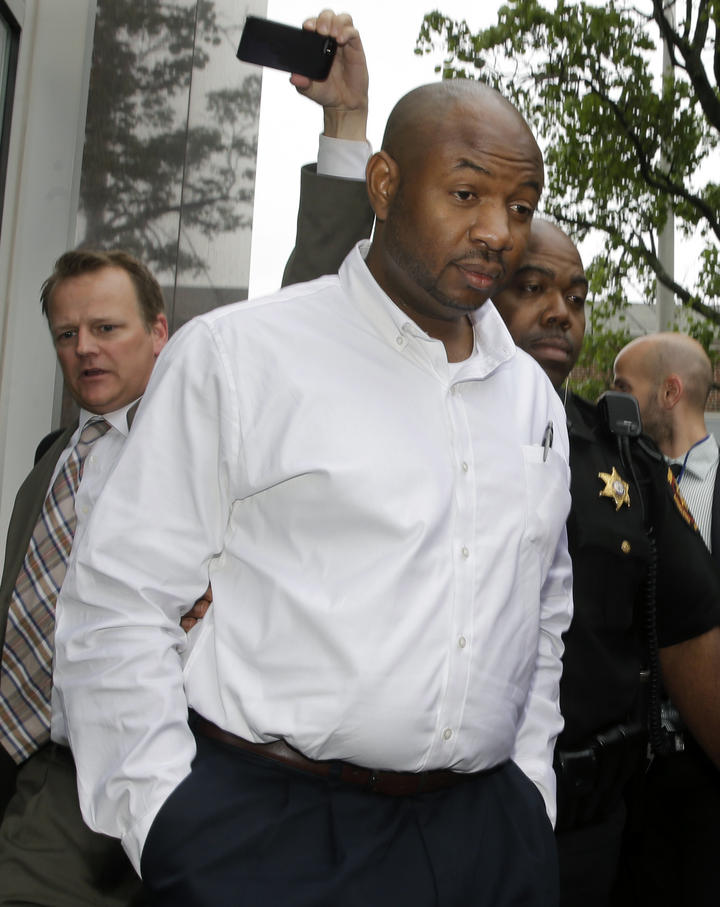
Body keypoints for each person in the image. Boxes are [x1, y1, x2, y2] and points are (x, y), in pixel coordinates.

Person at [56, 78, 572, 906]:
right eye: (466, 194)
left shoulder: (532, 400)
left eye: (521, 207)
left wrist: (530, 794)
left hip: (486, 837)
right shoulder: (239, 355)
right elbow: (118, 599)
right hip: (268, 834)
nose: (497, 231)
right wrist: (166, 820)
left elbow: (542, 616)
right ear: (385, 185)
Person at [280, 13, 720, 906]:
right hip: (383, 829)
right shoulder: (384, 411)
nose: (560, 311)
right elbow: (323, 324)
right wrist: (345, 128)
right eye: (531, 285)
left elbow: (692, 639)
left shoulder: (623, 455)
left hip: (585, 837)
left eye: (577, 294)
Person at [0, 249, 169, 906]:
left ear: (158, 332)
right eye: (67, 334)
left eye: (106, 328)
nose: (85, 349)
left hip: (141, 769)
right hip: (32, 761)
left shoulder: (197, 454)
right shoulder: (52, 460)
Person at [613, 332, 720, 907]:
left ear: (669, 393)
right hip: (624, 786)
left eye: (622, 389)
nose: (609, 403)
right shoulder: (612, 489)